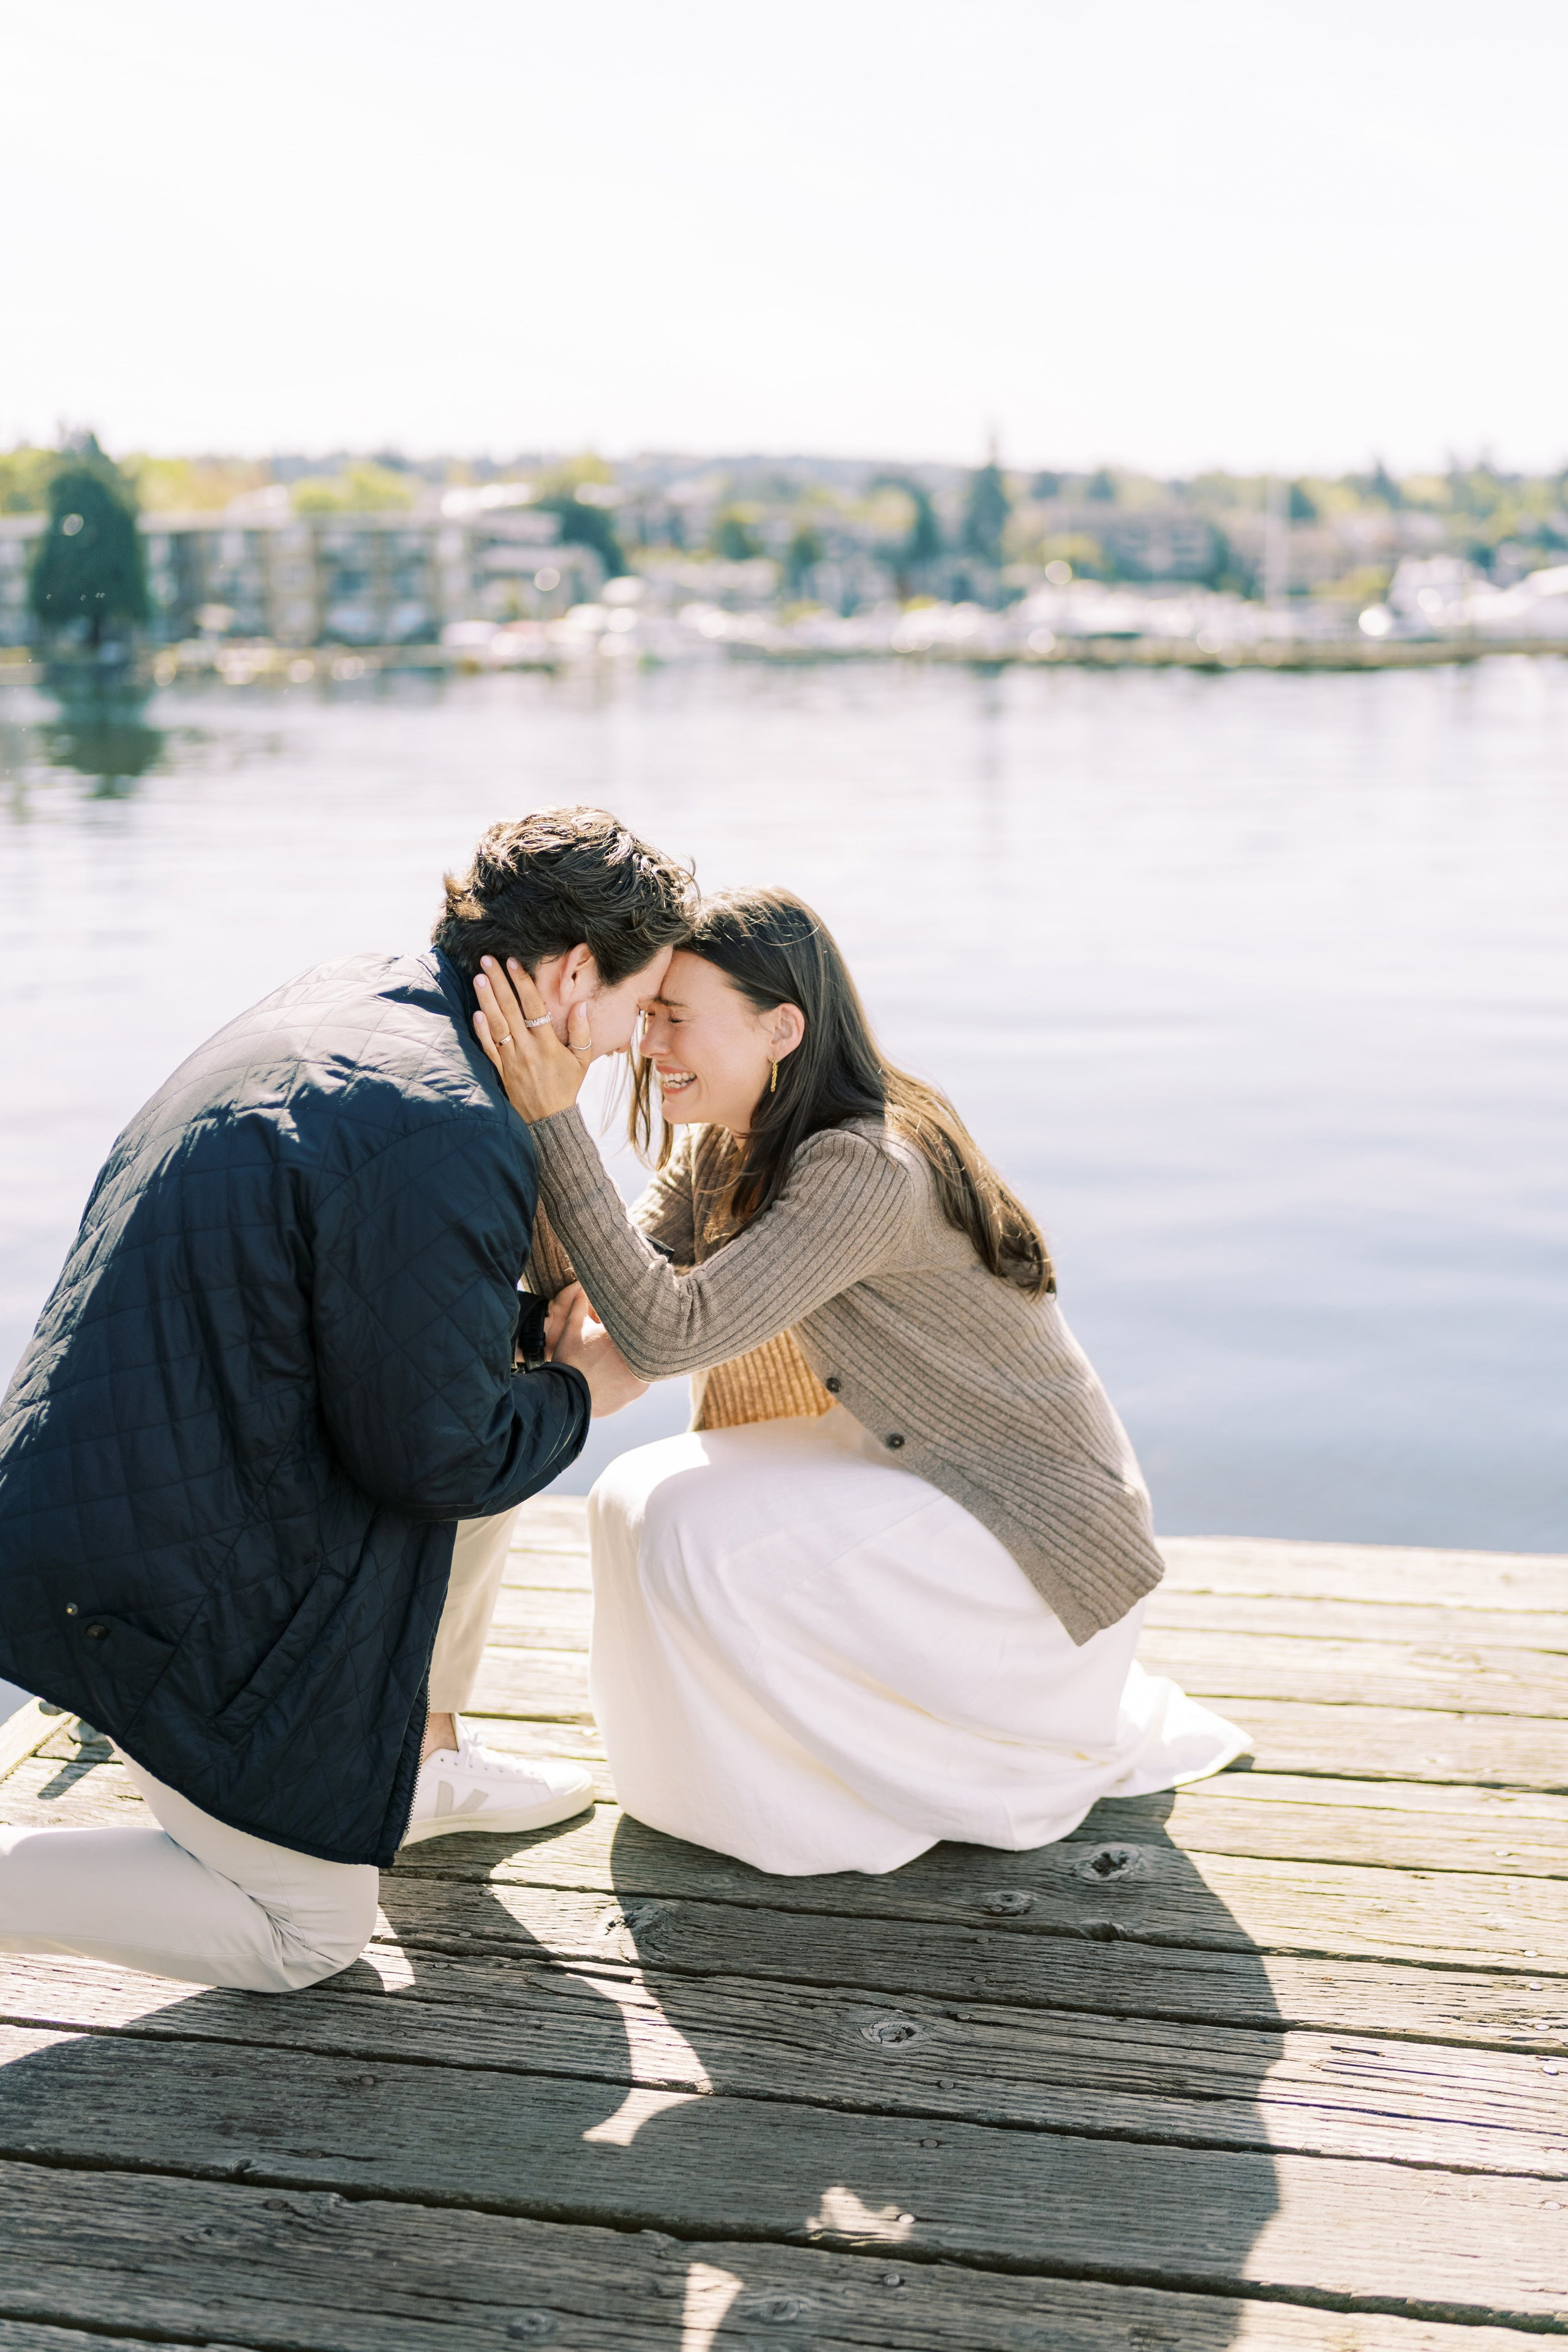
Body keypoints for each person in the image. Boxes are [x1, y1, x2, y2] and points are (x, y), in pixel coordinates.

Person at [0, 806, 690, 1989]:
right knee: (309, 1934)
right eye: (637, 1008)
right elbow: (434, 1460)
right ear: (576, 975)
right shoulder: (445, 1127)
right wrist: (584, 1391)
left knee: (499, 1396)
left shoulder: (364, 999)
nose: (631, 1043)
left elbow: (392, 1342)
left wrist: (538, 1336)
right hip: (155, 1579)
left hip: (122, 1485)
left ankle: (412, 1764)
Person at [469, 888, 1248, 1877]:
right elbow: (608, 1275)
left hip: (1022, 1529)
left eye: (676, 1017)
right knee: (632, 1497)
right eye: (647, 1013)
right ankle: (723, 1791)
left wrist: (555, 1116)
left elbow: (667, 1334)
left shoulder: (867, 1164)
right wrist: (546, 1084)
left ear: (781, 1027)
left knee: (684, 1524)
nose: (647, 1041)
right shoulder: (730, 1141)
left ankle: (804, 1808)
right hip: (911, 1461)